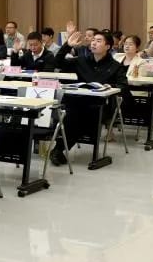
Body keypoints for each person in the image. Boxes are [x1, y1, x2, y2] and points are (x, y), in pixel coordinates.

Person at [52, 30, 127, 165]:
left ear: (108, 46)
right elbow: (57, 63)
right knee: (73, 114)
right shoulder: (81, 61)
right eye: (93, 40)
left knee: (79, 116)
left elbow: (123, 86)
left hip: (101, 106)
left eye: (98, 41)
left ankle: (58, 149)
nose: (94, 43)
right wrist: (67, 46)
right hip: (78, 103)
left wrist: (109, 86)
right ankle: (58, 150)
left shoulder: (115, 66)